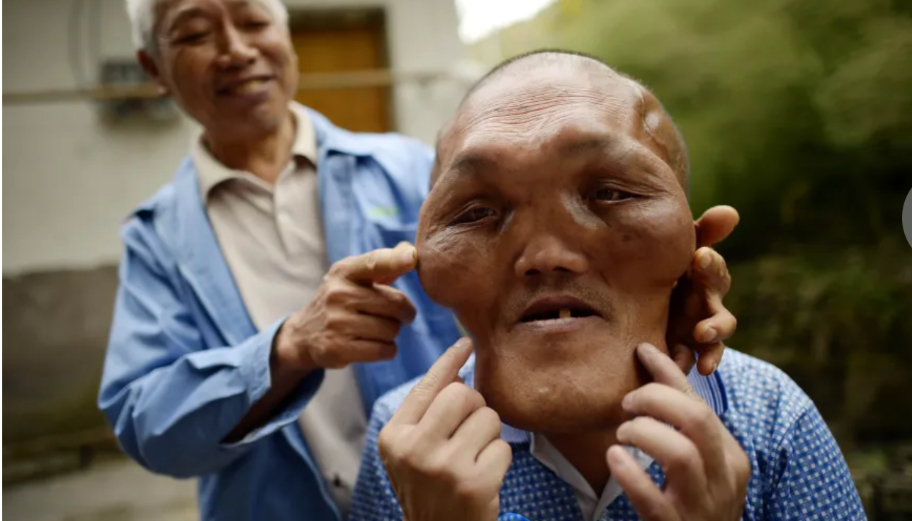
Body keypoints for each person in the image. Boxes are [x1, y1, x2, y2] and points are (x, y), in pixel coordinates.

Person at [97, 0, 739, 518]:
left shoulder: (412, 172)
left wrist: (660, 299)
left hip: (489, 487)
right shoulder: (157, 237)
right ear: (153, 67)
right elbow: (147, 424)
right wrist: (289, 348)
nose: (237, 49)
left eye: (254, 20)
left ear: (286, 36)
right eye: (195, 33)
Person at [350, 51, 866, 521]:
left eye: (611, 194)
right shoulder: (407, 445)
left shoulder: (767, 416)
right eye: (477, 213)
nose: (547, 256)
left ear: (694, 244)